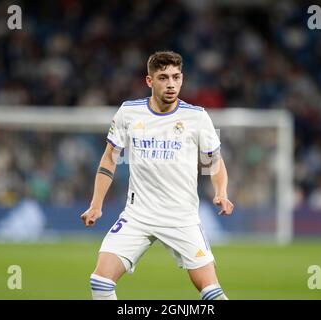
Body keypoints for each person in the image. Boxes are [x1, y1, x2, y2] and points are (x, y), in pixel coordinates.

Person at [80, 51, 234, 300]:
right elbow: (109, 157)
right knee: (100, 282)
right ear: (150, 81)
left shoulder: (197, 117)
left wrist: (221, 193)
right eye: (163, 77)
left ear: (182, 78)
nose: (171, 84)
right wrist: (96, 204)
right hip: (138, 215)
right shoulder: (129, 113)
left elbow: (214, 162)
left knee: (211, 293)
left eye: (175, 77)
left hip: (181, 218)